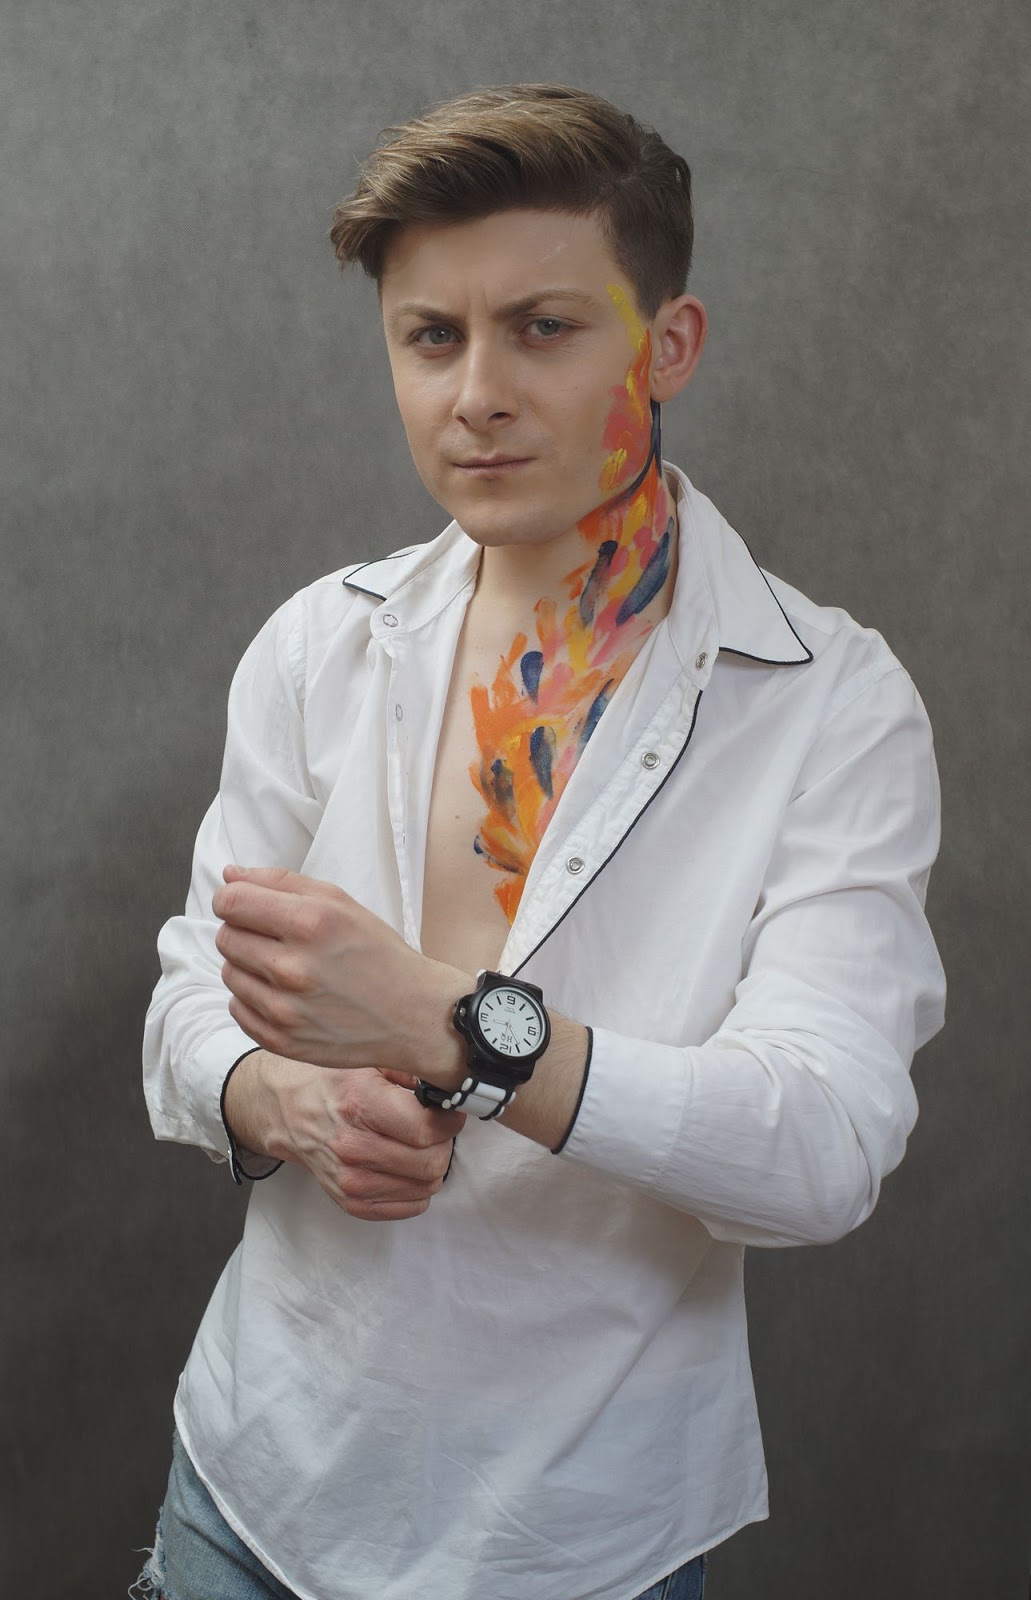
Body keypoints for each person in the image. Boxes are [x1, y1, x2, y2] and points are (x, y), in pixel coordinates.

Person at [136, 84, 946, 1600]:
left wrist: (460, 1033)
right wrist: (286, 1101)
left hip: (579, 1541)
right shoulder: (317, 647)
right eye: (431, 337)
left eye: (545, 329)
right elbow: (189, 999)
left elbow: (824, 1148)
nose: (477, 394)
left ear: (669, 345)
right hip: (252, 1492)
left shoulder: (830, 704)